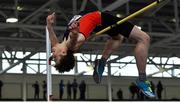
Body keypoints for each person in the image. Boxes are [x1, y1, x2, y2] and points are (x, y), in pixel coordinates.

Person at [46, 11, 155, 98]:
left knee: (117, 37)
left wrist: (49, 26)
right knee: (144, 38)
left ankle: (101, 63)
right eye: (56, 58)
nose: (53, 55)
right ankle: (142, 79)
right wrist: (74, 33)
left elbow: (54, 41)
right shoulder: (71, 44)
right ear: (64, 53)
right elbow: (75, 40)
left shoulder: (62, 45)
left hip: (93, 19)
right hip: (102, 19)